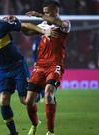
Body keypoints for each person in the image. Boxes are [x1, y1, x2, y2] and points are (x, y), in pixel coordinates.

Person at [24, 0, 71, 134]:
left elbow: (60, 23)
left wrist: (38, 15)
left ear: (55, 12)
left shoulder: (65, 24)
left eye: (46, 12)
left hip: (55, 65)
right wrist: (41, 30)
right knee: (28, 101)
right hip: (40, 66)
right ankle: (35, 124)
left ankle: (50, 131)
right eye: (43, 12)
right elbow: (26, 30)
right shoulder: (43, 25)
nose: (44, 15)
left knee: (49, 92)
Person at [32, 36, 45, 102]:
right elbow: (34, 51)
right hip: (38, 62)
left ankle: (42, 95)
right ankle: (40, 95)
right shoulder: (37, 40)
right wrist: (34, 61)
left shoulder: (46, 38)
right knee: (38, 79)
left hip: (46, 62)